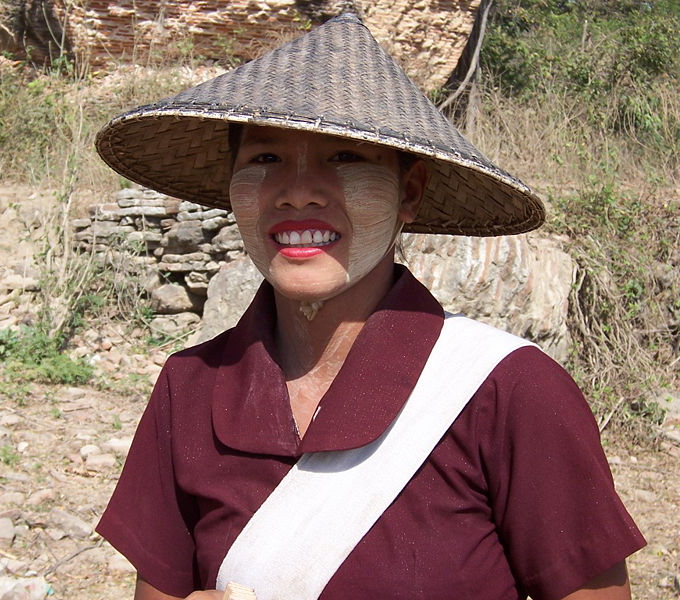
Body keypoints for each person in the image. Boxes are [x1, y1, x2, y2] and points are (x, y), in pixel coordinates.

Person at [93, 13, 645, 600]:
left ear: (409, 193)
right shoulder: (192, 386)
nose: (297, 190)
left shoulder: (508, 390)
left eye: (344, 157)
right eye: (264, 159)